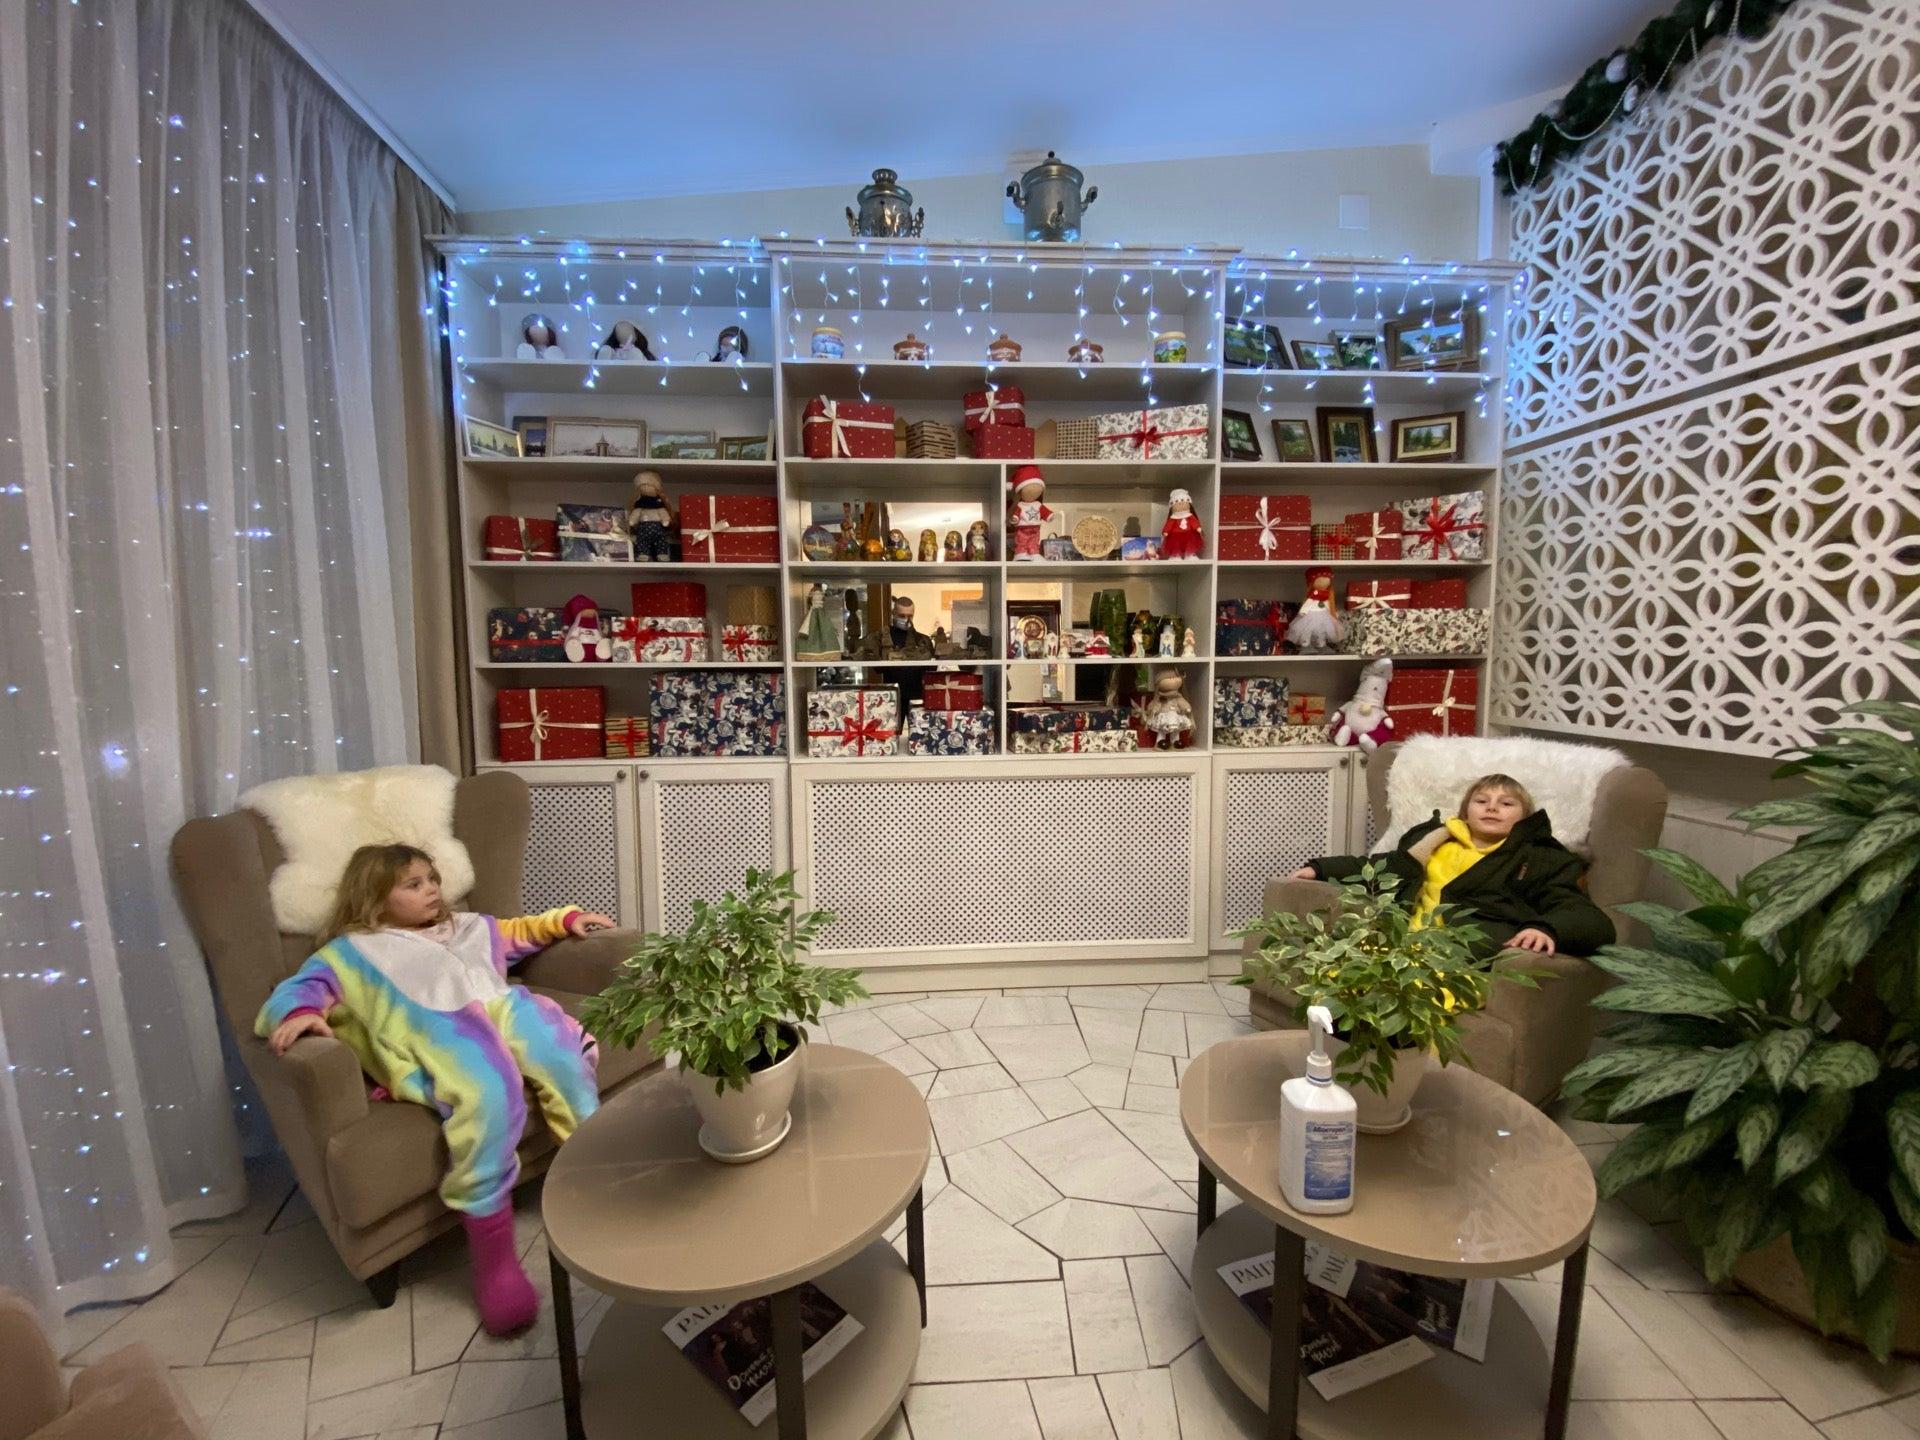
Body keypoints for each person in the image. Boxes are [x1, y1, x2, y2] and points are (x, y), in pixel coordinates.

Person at [256, 844, 614, 1335]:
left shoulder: (468, 926)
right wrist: (300, 1013)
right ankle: (494, 1260)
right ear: (374, 897)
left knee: (563, 1062)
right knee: (489, 1095)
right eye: (414, 884)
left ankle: (596, 1183)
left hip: (508, 1008)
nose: (431, 890)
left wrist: (566, 920)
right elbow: (300, 988)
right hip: (444, 1032)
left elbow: (522, 930)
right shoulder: (352, 951)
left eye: (432, 880)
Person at [1290, 772, 1613, 956]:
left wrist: (1546, 929)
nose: (1492, 808)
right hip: (1403, 941)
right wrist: (1321, 869)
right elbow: (1381, 866)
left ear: (1524, 817)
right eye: (1481, 801)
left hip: (1465, 953)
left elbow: (1582, 913)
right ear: (1466, 811)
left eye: (1506, 803)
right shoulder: (1435, 843)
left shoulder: (1540, 858)